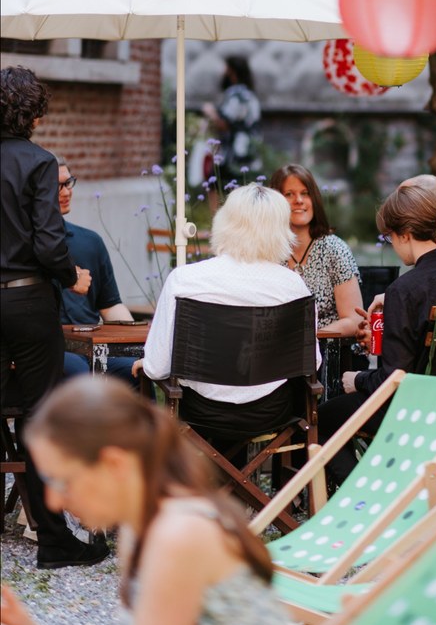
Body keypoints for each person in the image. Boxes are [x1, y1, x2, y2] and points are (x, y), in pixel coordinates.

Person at [0, 375, 298, 625]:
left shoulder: (177, 537)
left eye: (61, 480)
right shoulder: (143, 528)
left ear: (114, 465)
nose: (53, 501)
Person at [318, 184, 436, 486]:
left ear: (404, 234)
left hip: (419, 410)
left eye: (389, 238)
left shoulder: (406, 288)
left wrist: (355, 380)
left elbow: (392, 380)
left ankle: (366, 495)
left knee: (322, 419)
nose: (392, 245)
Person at [0, 66, 104, 570]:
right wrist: (72, 277)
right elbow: (47, 240)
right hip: (25, 301)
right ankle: (54, 541)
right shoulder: (39, 163)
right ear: (34, 114)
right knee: (36, 416)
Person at [135, 184, 321, 455]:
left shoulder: (185, 280)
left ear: (224, 222)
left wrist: (148, 364)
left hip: (202, 412)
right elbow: (311, 363)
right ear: (281, 230)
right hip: (270, 412)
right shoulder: (293, 286)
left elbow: (157, 367)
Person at [55, 157, 138, 385]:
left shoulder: (90, 241)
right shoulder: (26, 246)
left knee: (137, 369)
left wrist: (139, 346)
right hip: (54, 347)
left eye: (68, 182)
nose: (66, 192)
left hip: (95, 345)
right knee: (82, 377)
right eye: (57, 186)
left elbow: (110, 305)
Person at [269, 164, 363, 336]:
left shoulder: (334, 249)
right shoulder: (268, 251)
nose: (298, 200)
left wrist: (308, 340)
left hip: (329, 352)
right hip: (277, 350)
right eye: (289, 194)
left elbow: (354, 320)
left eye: (305, 193)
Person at [202, 55, 262, 188]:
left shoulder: (235, 95)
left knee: (215, 186)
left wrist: (210, 112)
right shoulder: (251, 95)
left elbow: (224, 124)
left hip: (233, 155)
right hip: (251, 153)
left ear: (231, 72)